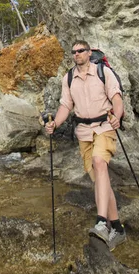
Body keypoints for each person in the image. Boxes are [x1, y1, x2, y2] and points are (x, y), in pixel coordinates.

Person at [45, 39, 126, 250]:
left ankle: (101, 222)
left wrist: (117, 117)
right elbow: (65, 105)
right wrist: (55, 123)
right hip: (83, 132)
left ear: (89, 53)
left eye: (80, 51)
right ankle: (117, 227)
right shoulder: (69, 78)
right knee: (100, 179)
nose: (76, 54)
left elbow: (117, 99)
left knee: (100, 163)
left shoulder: (103, 72)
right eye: (73, 52)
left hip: (104, 126)